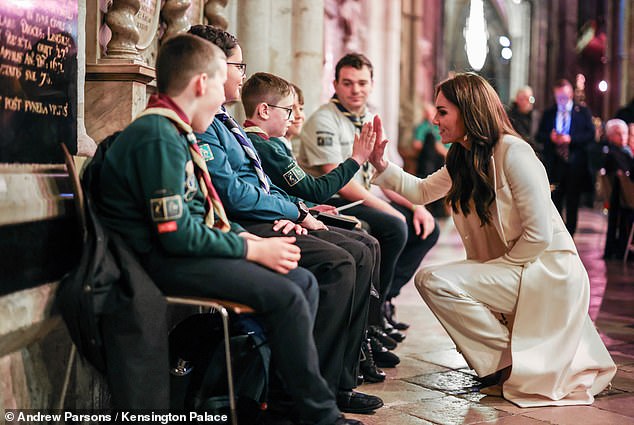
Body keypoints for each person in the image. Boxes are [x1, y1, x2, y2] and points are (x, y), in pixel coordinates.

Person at [97, 34, 357, 425]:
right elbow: (175, 232)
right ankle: (319, 416)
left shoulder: (174, 132)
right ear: (201, 84)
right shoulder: (156, 135)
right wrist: (251, 249)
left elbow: (201, 209)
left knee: (301, 283)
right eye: (221, 85)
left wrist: (242, 234)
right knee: (288, 293)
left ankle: (281, 399)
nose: (224, 99)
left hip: (180, 250)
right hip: (157, 262)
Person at [367, 72, 616, 407]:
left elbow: (539, 235)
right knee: (433, 280)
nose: (435, 119)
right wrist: (380, 164)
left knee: (434, 279)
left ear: (467, 110)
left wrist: (497, 269)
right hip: (515, 269)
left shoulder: (514, 152)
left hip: (544, 270)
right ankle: (504, 362)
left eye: (443, 111)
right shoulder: (462, 156)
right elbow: (423, 191)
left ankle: (507, 364)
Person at [188, 25, 383, 417]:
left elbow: (263, 185)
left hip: (260, 218)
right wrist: (294, 211)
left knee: (363, 247)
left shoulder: (223, 122)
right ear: (211, 65)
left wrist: (299, 210)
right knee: (339, 261)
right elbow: (232, 195)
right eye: (237, 65)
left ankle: (338, 382)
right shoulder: (207, 124)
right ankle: (308, 393)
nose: (242, 74)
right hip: (244, 226)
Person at [240, 73, 398, 382]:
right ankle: (338, 371)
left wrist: (301, 209)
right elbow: (314, 188)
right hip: (260, 226)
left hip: (283, 215)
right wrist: (355, 159)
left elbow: (277, 191)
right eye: (289, 109)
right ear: (264, 111)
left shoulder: (267, 143)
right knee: (355, 250)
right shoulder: (265, 145)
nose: (293, 116)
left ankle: (359, 345)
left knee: (367, 244)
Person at [300, 53, 439, 335]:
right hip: (331, 201)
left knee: (427, 228)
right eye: (348, 83)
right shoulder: (324, 120)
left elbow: (382, 174)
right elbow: (338, 182)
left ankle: (385, 298)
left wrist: (416, 205)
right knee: (393, 226)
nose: (356, 89)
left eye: (362, 83)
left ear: (372, 84)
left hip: (361, 198)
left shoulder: (369, 119)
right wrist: (387, 209)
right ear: (335, 84)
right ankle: (370, 319)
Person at [536, 79, 595, 236]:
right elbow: (539, 135)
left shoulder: (582, 112)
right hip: (555, 164)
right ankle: (556, 234)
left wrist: (571, 139)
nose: (561, 101)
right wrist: (551, 137)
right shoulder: (549, 113)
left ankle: (570, 235)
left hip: (574, 164)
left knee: (572, 202)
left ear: (570, 95)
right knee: (555, 201)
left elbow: (590, 135)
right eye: (558, 97)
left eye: (563, 97)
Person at [602, 119, 633, 259]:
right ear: (610, 136)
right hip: (623, 200)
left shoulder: (623, 153)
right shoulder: (613, 153)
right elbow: (627, 174)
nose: (623, 137)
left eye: (625, 133)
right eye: (618, 134)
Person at [507, 86, 541, 157]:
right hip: (516, 153)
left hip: (534, 154)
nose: (530, 102)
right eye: (526, 98)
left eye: (531, 98)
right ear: (517, 99)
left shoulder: (536, 116)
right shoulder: (509, 116)